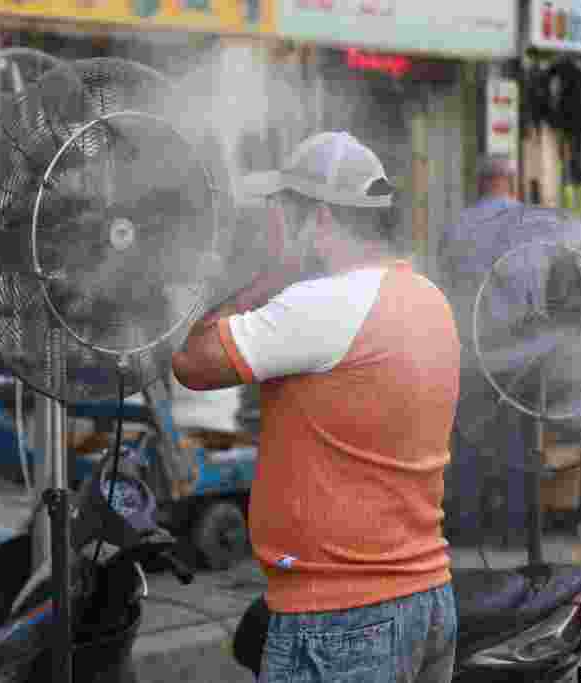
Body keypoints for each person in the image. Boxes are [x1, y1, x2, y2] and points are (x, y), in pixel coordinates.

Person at [171, 131, 460, 683]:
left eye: (285, 214)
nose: (275, 227)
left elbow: (192, 361)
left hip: (342, 619)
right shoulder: (429, 299)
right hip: (426, 597)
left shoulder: (324, 305)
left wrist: (270, 274)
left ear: (321, 221)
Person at [436, 154, 530, 547]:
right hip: (517, 355)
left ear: (480, 183)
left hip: (469, 351)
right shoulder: (528, 224)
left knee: (469, 440)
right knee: (515, 443)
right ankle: (512, 530)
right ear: (512, 180)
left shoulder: (458, 226)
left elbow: (444, 279)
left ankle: (465, 526)